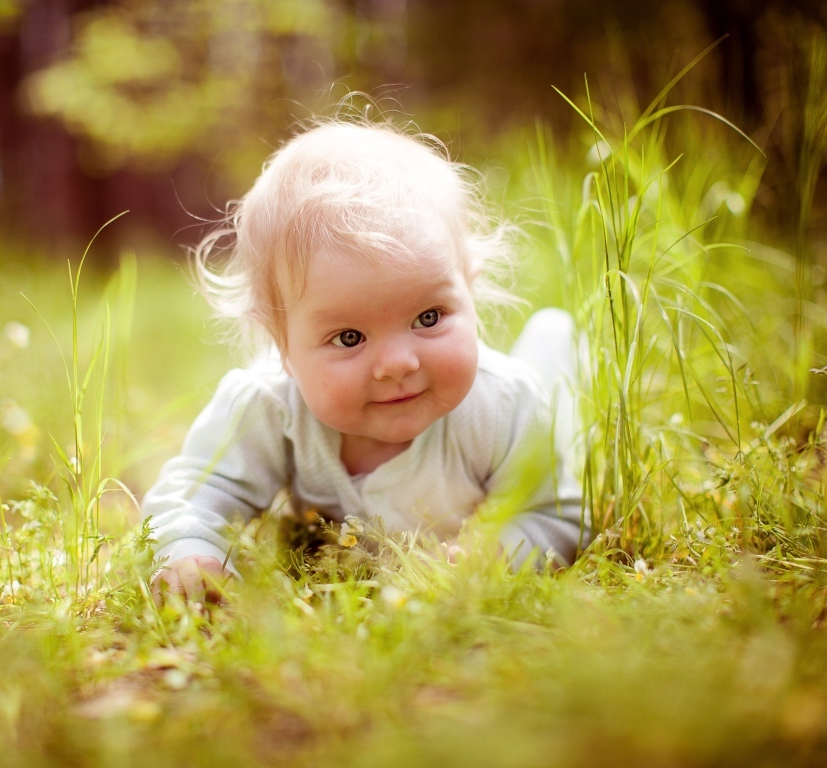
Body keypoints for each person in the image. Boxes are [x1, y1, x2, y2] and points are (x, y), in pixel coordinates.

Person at [145, 118, 586, 603]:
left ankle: (555, 342)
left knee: (559, 403)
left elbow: (554, 512)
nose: (397, 363)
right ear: (281, 342)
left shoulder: (506, 405)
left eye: (429, 316)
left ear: (470, 288)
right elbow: (198, 492)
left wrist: (497, 552)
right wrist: (191, 550)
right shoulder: (270, 407)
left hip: (535, 405)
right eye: (350, 336)